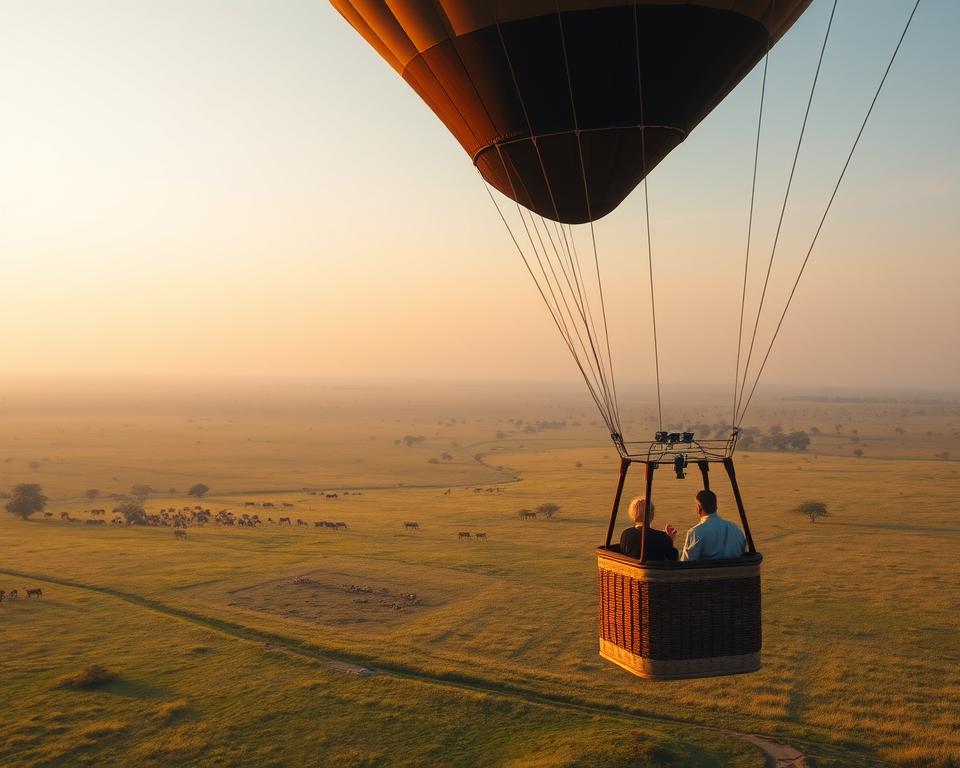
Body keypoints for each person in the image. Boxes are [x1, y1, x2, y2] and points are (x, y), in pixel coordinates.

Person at [679, 489, 746, 561]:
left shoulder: (695, 532)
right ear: (716, 507)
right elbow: (745, 553)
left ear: (698, 508)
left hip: (708, 572)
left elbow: (686, 564)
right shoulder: (736, 528)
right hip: (736, 571)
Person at [619, 496, 678, 561]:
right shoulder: (662, 537)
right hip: (655, 570)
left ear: (632, 514)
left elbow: (622, 554)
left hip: (632, 569)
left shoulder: (626, 534)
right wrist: (670, 540)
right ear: (651, 515)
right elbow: (674, 560)